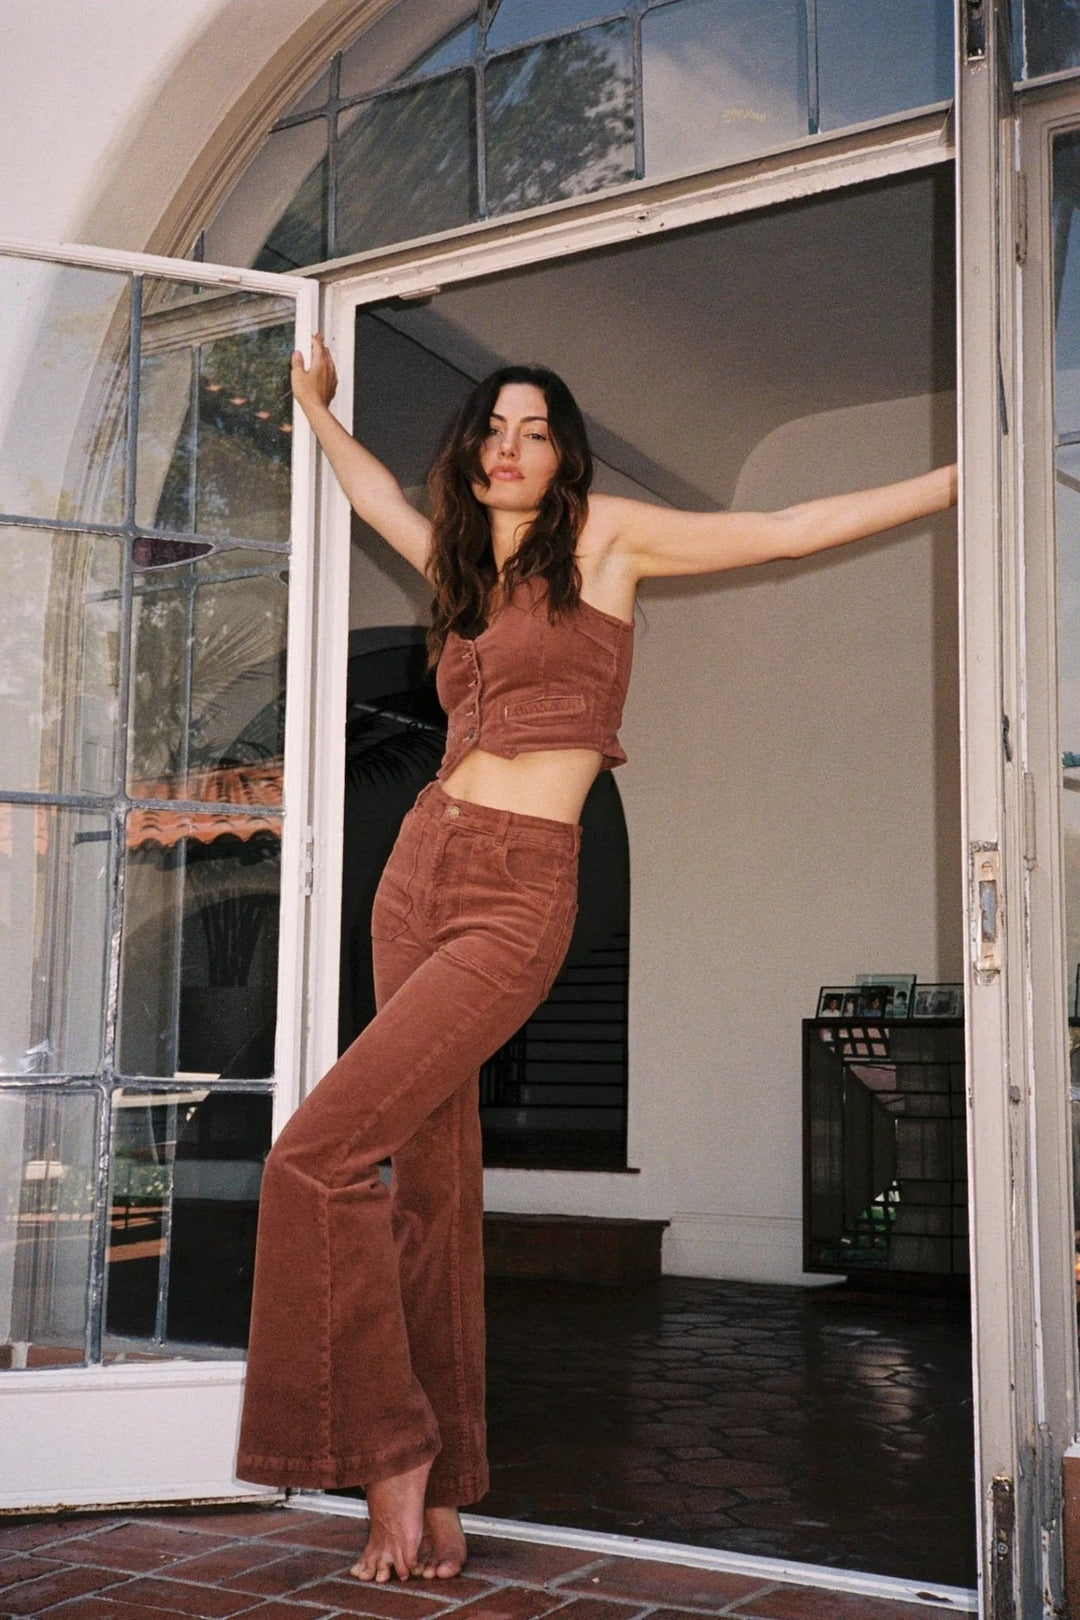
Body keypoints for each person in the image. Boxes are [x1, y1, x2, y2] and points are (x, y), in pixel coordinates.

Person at [235, 335, 957, 1584]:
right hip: (419, 871)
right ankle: (443, 1487)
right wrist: (313, 407)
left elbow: (786, 528)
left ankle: (390, 1452)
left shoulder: (606, 542)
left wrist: (964, 476)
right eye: (492, 429)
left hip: (519, 886)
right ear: (471, 452)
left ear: (563, 453)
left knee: (314, 1155)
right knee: (431, 1187)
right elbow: (371, 494)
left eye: (533, 430)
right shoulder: (460, 564)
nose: (508, 447)